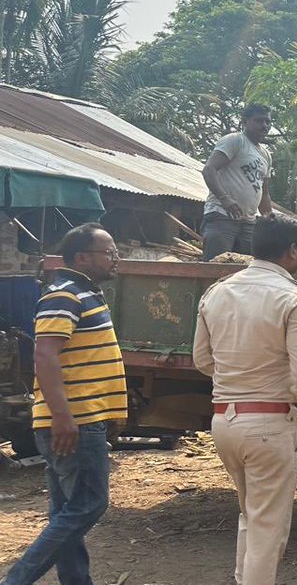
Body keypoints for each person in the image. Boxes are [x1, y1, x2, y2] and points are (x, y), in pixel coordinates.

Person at [193, 214, 297, 585]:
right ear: (293, 250)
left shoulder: (216, 292)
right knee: (268, 529)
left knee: (251, 517)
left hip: (224, 422)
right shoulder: (294, 298)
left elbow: (202, 360)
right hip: (270, 425)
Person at [2, 224, 126, 585]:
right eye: (109, 251)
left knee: (66, 511)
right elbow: (45, 355)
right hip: (75, 421)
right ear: (82, 257)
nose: (115, 258)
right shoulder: (64, 295)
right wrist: (63, 417)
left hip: (83, 418)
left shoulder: (86, 293)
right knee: (89, 505)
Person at [201, 104, 275, 261]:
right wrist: (224, 198)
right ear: (245, 122)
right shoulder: (235, 141)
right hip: (222, 217)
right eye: (259, 121)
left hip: (248, 222)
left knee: (245, 272)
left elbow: (264, 193)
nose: (264, 126)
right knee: (216, 268)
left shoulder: (266, 155)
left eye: (268, 122)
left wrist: (271, 220)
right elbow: (209, 169)